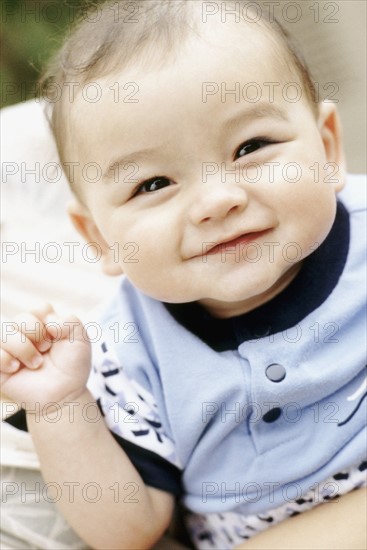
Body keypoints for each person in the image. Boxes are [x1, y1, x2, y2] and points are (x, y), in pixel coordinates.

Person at [1, 1, 366, 549]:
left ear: (329, 146)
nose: (216, 202)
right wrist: (59, 406)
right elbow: (130, 531)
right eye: (153, 184)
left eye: (251, 147)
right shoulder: (128, 353)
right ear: (100, 239)